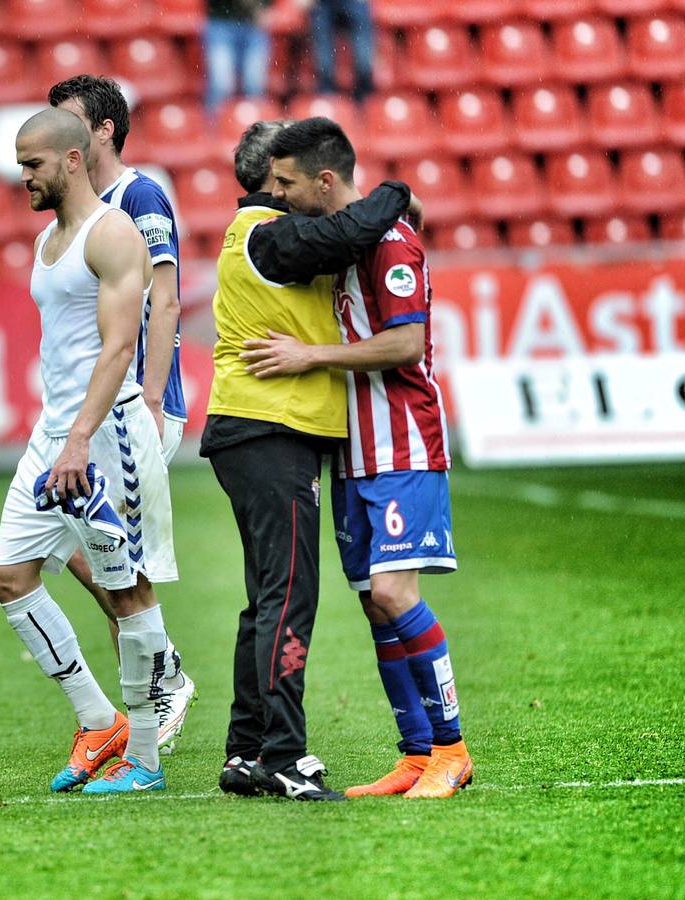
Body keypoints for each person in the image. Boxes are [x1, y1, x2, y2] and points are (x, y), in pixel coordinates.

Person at [242, 117, 473, 799]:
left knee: (398, 595)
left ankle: (453, 750)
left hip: (403, 439)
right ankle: (415, 753)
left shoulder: (392, 242)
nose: (276, 195)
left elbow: (405, 345)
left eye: (285, 182)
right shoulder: (348, 239)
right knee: (376, 603)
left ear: (324, 179)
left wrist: (308, 356)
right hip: (354, 452)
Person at [204, 120, 416, 800]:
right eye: (290, 175)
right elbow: (350, 231)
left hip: (259, 429)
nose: (296, 186)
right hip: (272, 428)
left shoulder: (263, 235)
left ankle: (246, 751)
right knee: (290, 596)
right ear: (275, 178)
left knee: (268, 598)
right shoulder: (268, 233)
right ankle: (284, 756)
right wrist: (397, 191)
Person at [0, 107, 178, 794]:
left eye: (32, 164)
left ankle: (147, 759)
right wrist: (57, 435)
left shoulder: (113, 233)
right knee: (9, 578)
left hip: (103, 437)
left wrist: (77, 439)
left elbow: (118, 345)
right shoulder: (50, 239)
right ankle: (99, 719)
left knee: (128, 592)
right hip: (55, 435)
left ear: (71, 159)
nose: (24, 177)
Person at [47, 74, 197, 753]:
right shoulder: (77, 209)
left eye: (69, 120)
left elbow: (164, 302)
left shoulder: (139, 197)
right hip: (92, 411)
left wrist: (157, 401)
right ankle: (152, 681)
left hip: (134, 406)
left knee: (103, 552)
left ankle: (158, 681)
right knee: (89, 552)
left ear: (103, 129)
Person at [204, 0, 273, 115]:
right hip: (220, 22)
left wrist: (264, 7)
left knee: (254, 84)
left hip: (253, 24)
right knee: (220, 85)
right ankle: (214, 129)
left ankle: (256, 129)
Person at [300, 0, 375, 103]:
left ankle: (365, 87)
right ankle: (327, 90)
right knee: (319, 20)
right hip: (323, 4)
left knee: (364, 66)